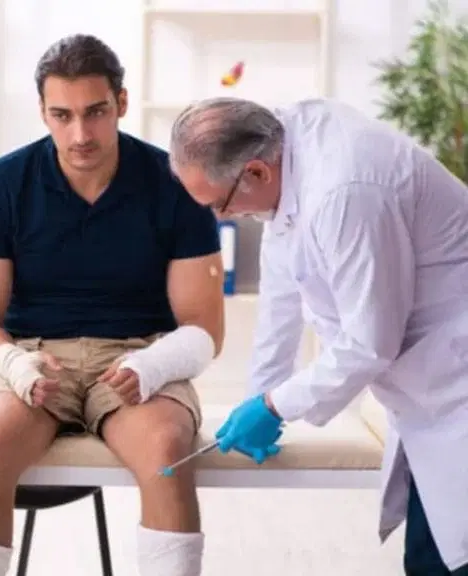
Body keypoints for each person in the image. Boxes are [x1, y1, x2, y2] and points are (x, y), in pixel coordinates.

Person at [0, 34, 225, 576]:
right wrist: (14, 363)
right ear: (42, 112)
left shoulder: (176, 185)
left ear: (121, 103)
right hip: (30, 358)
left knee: (169, 451)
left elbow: (203, 329)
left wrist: (152, 366)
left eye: (96, 112)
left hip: (140, 359)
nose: (80, 134)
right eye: (62, 115)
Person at [167, 96, 468, 575]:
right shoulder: (284, 148)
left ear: (258, 173)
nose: (225, 219)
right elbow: (283, 291)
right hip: (430, 388)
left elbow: (370, 341)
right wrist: (260, 394)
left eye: (220, 205)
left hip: (457, 381)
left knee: (449, 560)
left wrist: (274, 407)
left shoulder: (344, 192)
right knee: (431, 557)